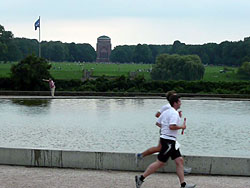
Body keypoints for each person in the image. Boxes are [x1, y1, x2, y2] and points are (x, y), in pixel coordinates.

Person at [135, 95, 196, 188]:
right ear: (175, 103)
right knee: (160, 163)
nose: (181, 103)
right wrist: (182, 127)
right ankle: (141, 178)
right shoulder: (174, 113)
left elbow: (158, 123)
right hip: (168, 142)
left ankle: (183, 185)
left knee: (179, 161)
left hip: (170, 141)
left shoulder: (167, 112)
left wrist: (165, 129)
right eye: (179, 101)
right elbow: (172, 126)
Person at [135, 90, 178, 163]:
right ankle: (180, 167)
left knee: (161, 148)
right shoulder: (167, 107)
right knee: (170, 148)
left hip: (170, 132)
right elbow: (157, 115)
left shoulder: (173, 107)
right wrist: (165, 124)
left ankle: (141, 155)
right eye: (175, 96)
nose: (178, 98)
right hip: (167, 132)